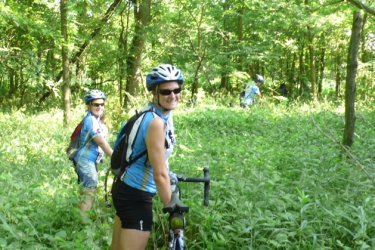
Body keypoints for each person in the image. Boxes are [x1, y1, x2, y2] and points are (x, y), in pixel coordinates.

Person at [110, 64, 183, 250]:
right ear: (155, 93)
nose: (173, 95)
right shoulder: (156, 122)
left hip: (124, 188)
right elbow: (159, 175)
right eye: (166, 91)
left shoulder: (154, 114)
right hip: (136, 195)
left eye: (177, 89)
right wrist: (172, 209)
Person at [74, 89, 113, 220]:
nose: (100, 107)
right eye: (96, 104)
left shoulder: (95, 119)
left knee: (85, 191)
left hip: (88, 160)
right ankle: (83, 225)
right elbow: (101, 142)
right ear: (89, 105)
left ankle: (79, 219)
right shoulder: (91, 120)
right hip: (85, 160)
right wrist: (116, 158)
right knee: (89, 192)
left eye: (102, 104)